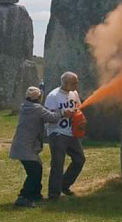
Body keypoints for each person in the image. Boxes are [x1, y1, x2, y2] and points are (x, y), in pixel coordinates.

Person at [9, 86, 75, 208]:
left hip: (22, 145)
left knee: (37, 169)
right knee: (34, 172)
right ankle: (23, 197)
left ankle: (35, 195)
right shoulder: (36, 108)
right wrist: (63, 113)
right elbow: (52, 117)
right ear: (39, 97)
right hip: (26, 146)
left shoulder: (26, 106)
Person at [45, 71, 85, 200]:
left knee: (79, 159)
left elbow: (78, 109)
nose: (76, 85)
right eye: (74, 83)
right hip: (57, 133)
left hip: (71, 133)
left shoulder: (74, 94)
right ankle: (53, 194)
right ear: (65, 83)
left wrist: (80, 120)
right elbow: (48, 117)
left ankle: (64, 185)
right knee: (58, 163)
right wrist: (62, 113)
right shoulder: (53, 96)